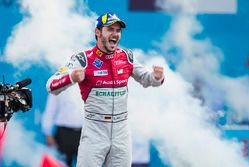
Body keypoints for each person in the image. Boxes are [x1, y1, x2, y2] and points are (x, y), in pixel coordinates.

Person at [46, 12, 165, 167]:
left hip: (121, 131)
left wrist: (157, 77)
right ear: (98, 32)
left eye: (118, 30)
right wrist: (72, 78)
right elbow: (51, 85)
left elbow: (148, 79)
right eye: (110, 29)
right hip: (95, 131)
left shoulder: (127, 56)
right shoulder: (83, 58)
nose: (115, 34)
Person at [41, 86, 84, 167]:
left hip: (85, 134)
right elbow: (50, 109)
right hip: (64, 134)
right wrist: (48, 133)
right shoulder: (59, 84)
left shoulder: (92, 83)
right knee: (61, 164)